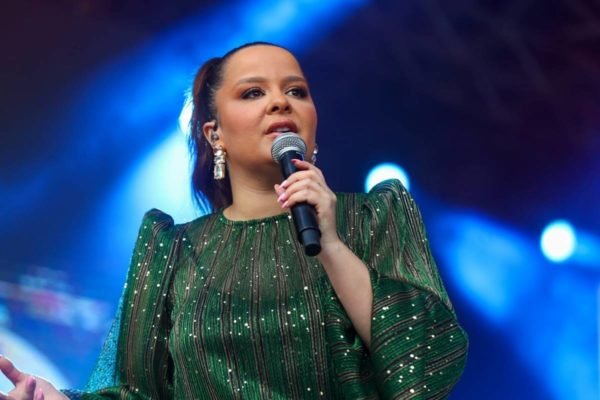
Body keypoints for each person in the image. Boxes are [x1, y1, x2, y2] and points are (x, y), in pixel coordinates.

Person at [0, 42, 468, 399]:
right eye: (253, 92)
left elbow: (425, 367)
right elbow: (136, 393)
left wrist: (332, 244)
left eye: (296, 91)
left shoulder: (374, 217)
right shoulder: (171, 250)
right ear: (214, 133)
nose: (281, 103)